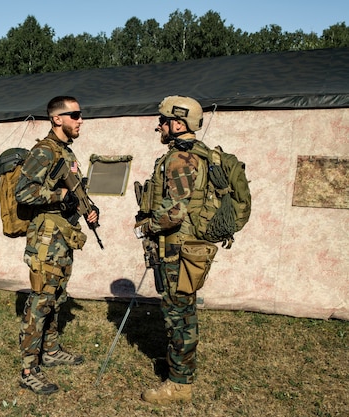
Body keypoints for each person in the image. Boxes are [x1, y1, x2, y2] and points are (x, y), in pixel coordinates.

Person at [15, 96, 99, 395]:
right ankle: (28, 368)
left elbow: (73, 189)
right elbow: (23, 193)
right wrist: (61, 196)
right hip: (46, 237)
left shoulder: (65, 152)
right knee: (41, 299)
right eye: (74, 115)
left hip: (63, 234)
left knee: (57, 295)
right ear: (57, 119)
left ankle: (50, 350)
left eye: (81, 114)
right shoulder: (43, 151)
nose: (80, 120)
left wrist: (87, 208)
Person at [135, 95, 207, 404]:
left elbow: (174, 212)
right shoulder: (192, 156)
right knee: (182, 311)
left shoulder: (180, 160)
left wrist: (145, 226)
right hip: (184, 247)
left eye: (163, 121)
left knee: (178, 314)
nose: (159, 127)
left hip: (177, 248)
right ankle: (180, 365)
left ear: (178, 124)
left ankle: (179, 385)